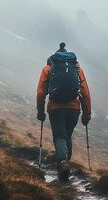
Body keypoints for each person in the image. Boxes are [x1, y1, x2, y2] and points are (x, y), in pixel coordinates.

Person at [36, 42, 91, 182]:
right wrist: (86, 114)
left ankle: (63, 163)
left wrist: (40, 112)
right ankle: (65, 166)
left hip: (56, 108)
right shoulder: (77, 69)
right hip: (74, 109)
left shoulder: (48, 69)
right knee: (67, 136)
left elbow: (41, 93)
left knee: (59, 137)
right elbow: (85, 92)